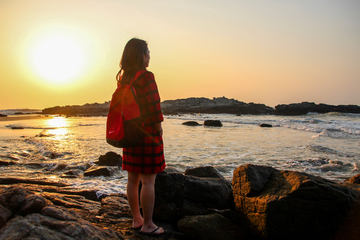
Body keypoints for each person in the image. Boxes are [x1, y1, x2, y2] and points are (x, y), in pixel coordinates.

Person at [116, 38, 166, 236]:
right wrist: (159, 129)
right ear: (141, 55)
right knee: (148, 182)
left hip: (129, 134)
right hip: (146, 135)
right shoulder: (147, 77)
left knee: (132, 179)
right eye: (147, 52)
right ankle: (148, 225)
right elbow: (154, 108)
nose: (150, 56)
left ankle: (136, 219)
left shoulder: (124, 78)